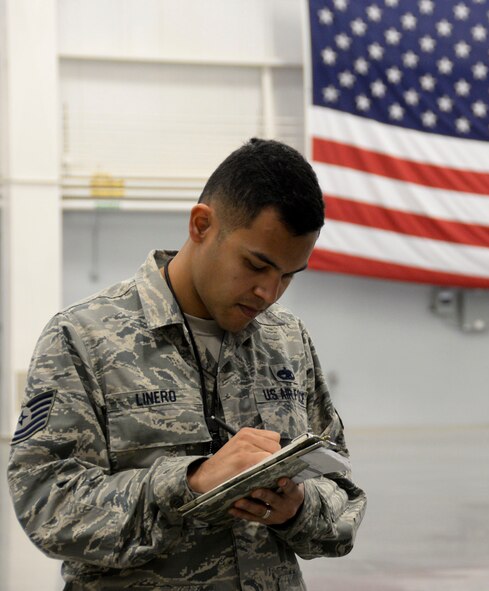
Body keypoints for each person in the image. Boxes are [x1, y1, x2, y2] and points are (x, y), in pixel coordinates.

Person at [6, 138, 367, 590]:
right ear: (201, 225)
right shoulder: (83, 337)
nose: (269, 293)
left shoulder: (286, 340)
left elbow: (342, 490)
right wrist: (191, 484)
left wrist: (298, 508)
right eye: (257, 265)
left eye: (288, 276)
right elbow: (47, 506)